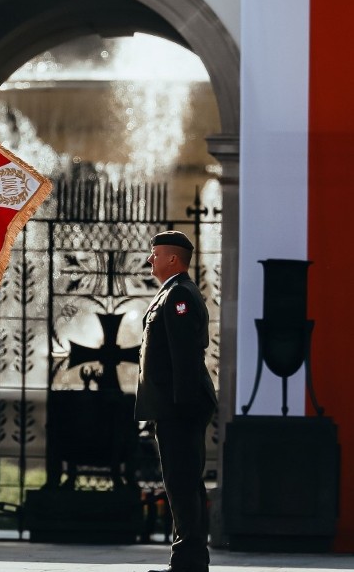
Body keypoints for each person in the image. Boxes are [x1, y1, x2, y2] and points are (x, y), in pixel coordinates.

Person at [135, 230, 218, 572]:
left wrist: (179, 408)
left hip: (180, 407)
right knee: (183, 484)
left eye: (155, 254)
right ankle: (190, 560)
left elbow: (184, 358)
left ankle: (188, 563)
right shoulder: (172, 293)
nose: (150, 259)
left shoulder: (179, 296)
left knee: (182, 486)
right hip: (174, 406)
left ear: (173, 259)